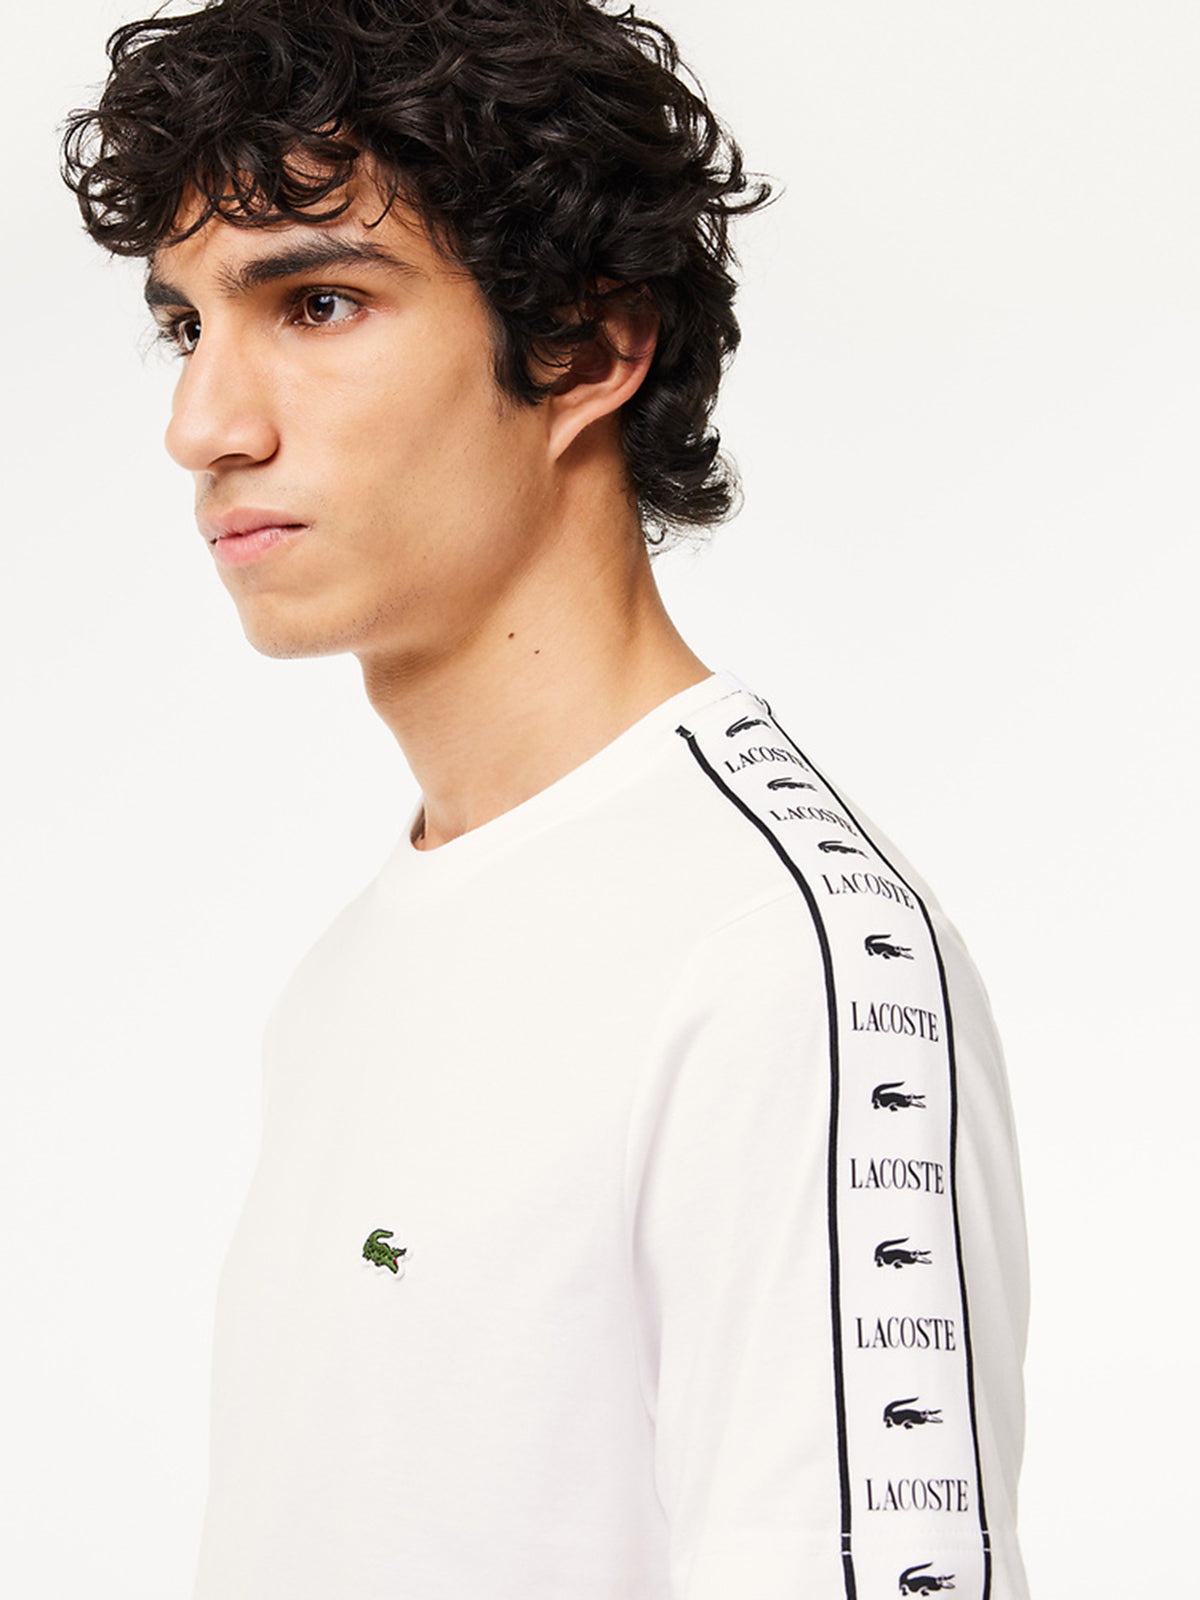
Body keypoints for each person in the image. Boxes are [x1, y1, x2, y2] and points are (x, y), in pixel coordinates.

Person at [61, 2, 1030, 1596]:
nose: (203, 428)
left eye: (316, 302)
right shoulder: (354, 965)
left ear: (584, 345)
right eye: (186, 327)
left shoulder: (779, 956)